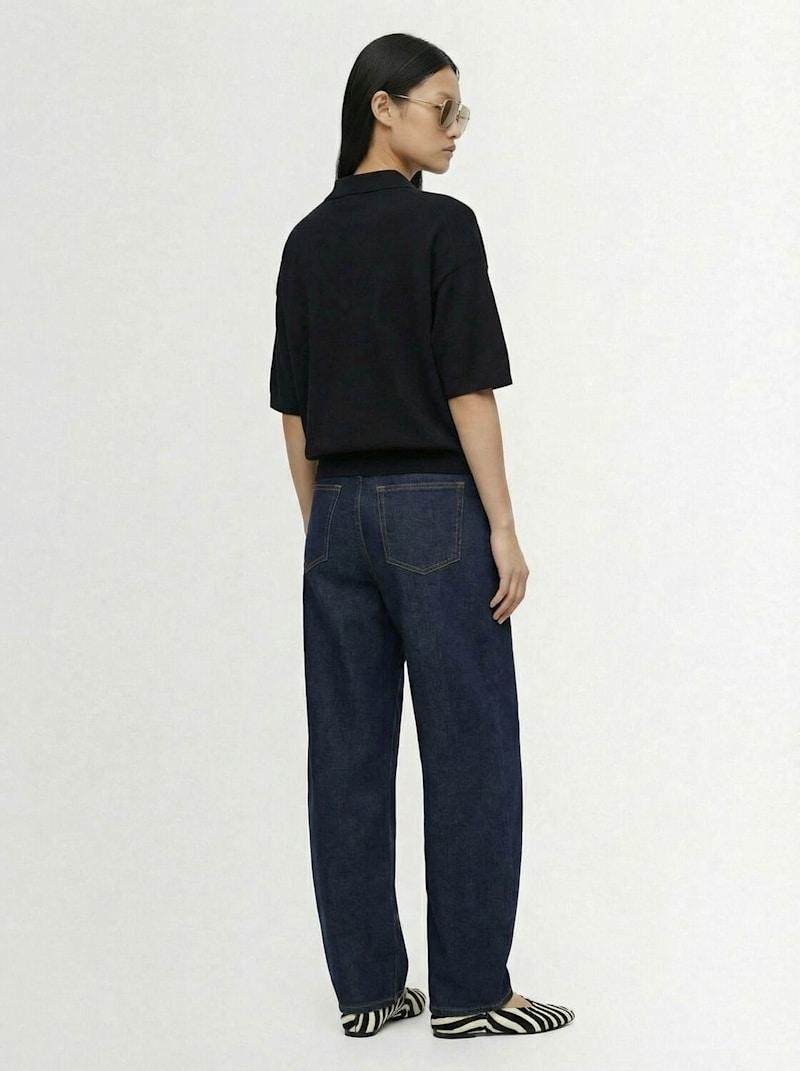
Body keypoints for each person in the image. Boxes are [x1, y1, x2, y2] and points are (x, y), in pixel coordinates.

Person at [268, 32, 575, 1040]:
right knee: (471, 745)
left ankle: (368, 991)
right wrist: (503, 527)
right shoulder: (443, 227)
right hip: (434, 508)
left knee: (346, 755)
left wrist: (324, 530)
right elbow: (468, 389)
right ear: (383, 107)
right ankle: (472, 994)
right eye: (442, 108)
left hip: (335, 513)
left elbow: (293, 412)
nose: (454, 129)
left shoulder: (306, 240)